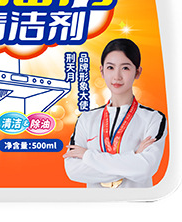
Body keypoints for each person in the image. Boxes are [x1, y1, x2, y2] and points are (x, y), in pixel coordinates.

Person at [63, 38, 167, 188]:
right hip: (95, 202)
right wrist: (134, 157)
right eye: (110, 67)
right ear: (102, 71)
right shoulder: (86, 119)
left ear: (137, 72)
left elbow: (145, 168)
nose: (117, 76)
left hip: (137, 202)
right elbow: (73, 170)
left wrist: (87, 155)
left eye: (125, 68)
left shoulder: (153, 119)